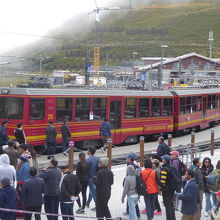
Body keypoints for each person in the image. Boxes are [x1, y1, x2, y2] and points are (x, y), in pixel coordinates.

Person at [160, 154, 176, 220]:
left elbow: (162, 181)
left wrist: (160, 189)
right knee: (171, 204)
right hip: (172, 188)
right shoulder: (172, 167)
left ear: (165, 160)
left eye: (163, 159)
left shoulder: (164, 169)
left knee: (167, 205)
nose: (162, 160)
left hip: (166, 190)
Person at [124, 153, 140, 218]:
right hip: (132, 185)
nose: (125, 159)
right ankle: (129, 212)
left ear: (130, 159)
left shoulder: (132, 166)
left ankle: (137, 215)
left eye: (127, 158)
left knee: (133, 201)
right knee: (131, 200)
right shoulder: (131, 165)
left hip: (132, 187)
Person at [86, 146, 100, 211]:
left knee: (93, 192)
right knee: (92, 191)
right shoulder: (97, 158)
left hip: (90, 178)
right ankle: (87, 203)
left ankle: (97, 206)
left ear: (90, 152)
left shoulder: (87, 160)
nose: (87, 151)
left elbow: (86, 169)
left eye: (88, 150)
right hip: (96, 177)